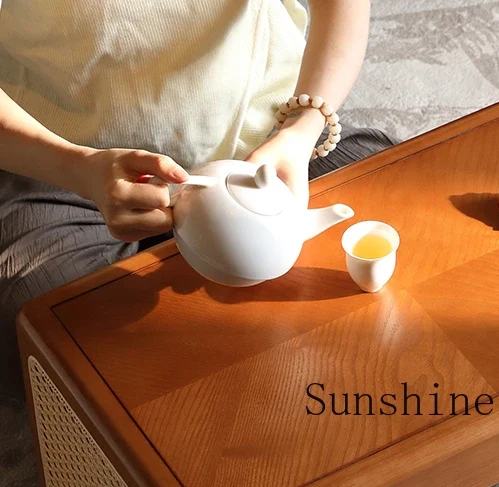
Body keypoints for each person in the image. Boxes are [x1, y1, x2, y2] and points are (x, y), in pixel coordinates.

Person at [0, 0, 399, 400]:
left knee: (397, 204)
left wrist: (301, 129)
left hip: (269, 131)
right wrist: (76, 167)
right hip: (65, 155)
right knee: (47, 332)